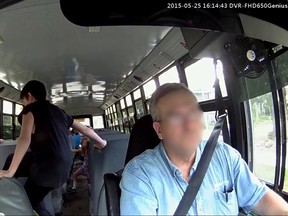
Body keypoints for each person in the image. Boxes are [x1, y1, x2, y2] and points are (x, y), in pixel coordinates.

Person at [120, 83, 288, 215]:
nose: (190, 125)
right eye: (176, 118)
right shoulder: (139, 175)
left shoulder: (226, 156)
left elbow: (263, 200)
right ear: (159, 130)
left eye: (193, 113)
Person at [0, 80, 107, 213]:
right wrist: (101, 143)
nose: (24, 106)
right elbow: (85, 130)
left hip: (48, 168)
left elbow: (24, 138)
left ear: (29, 96)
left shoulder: (29, 110)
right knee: (11, 159)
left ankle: (5, 188)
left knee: (27, 203)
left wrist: (10, 172)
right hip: (63, 168)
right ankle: (5, 186)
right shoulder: (59, 111)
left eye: (23, 102)